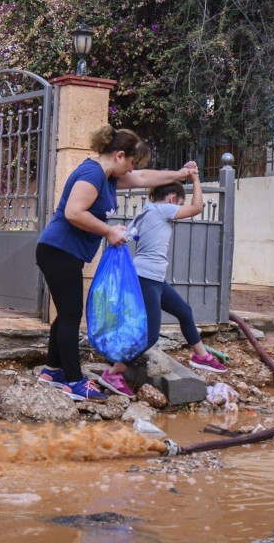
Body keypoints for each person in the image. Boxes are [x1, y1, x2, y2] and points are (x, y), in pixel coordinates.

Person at [35, 125, 197, 401]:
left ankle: (52, 370)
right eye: (131, 162)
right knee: (71, 316)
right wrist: (108, 231)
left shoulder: (108, 177)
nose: (132, 170)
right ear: (120, 156)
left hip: (64, 252)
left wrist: (181, 174)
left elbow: (145, 177)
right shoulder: (92, 173)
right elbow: (74, 212)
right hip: (59, 250)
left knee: (66, 314)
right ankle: (74, 382)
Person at [96, 170, 227, 399]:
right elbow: (197, 207)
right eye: (179, 205)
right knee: (151, 335)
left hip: (151, 278)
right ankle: (115, 373)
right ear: (173, 199)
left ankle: (201, 356)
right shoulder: (163, 209)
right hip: (148, 278)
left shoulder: (145, 213)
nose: (178, 211)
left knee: (184, 311)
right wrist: (195, 179)